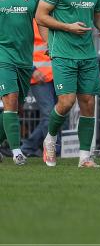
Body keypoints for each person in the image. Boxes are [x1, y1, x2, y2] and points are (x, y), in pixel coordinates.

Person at [37, 0, 100, 168]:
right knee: (67, 102)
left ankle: (84, 158)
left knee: (88, 102)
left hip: (87, 53)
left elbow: (97, 12)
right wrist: (68, 27)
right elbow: (41, 16)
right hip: (62, 52)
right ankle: (49, 140)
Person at [0, 0, 43, 165]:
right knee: (10, 99)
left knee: (16, 108)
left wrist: (50, 45)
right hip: (2, 55)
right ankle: (17, 152)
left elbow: (43, 21)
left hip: (24, 59)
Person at [20, 15, 57, 158]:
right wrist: (32, 70)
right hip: (39, 75)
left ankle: (28, 147)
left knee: (57, 115)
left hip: (56, 73)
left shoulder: (56, 17)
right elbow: (22, 47)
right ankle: (50, 151)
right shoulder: (30, 20)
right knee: (49, 114)